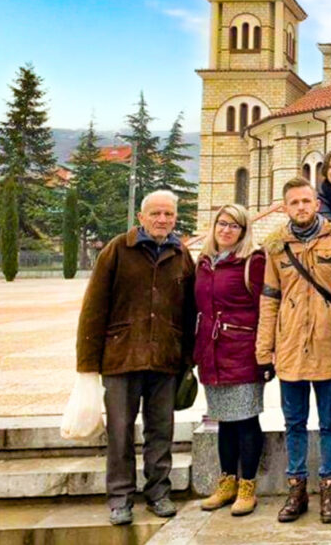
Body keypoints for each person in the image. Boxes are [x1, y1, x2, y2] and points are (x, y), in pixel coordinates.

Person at [76, 190, 196, 526]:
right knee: (120, 431)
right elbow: (93, 309)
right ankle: (120, 498)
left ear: (175, 218)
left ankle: (158, 492)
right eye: (156, 213)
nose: (162, 220)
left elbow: (190, 312)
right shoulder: (117, 250)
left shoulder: (181, 254)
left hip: (165, 359)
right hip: (121, 358)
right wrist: (87, 364)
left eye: (168, 215)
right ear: (141, 217)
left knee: (161, 430)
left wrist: (188, 359)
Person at [256, 177, 331, 525]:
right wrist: (264, 351)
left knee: (330, 423)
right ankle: (296, 489)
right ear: (285, 207)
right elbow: (269, 300)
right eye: (294, 202)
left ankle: (328, 487)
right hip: (291, 347)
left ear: (317, 203)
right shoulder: (277, 248)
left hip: (329, 344)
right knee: (294, 422)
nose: (301, 208)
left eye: (306, 201)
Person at [196, 204, 267, 516]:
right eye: (222, 224)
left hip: (243, 351)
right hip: (212, 353)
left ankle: (247, 485)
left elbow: (265, 309)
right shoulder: (204, 263)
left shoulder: (253, 261)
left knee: (246, 419)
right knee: (223, 420)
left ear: (243, 231)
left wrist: (265, 354)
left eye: (234, 226)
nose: (226, 230)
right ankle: (227, 481)